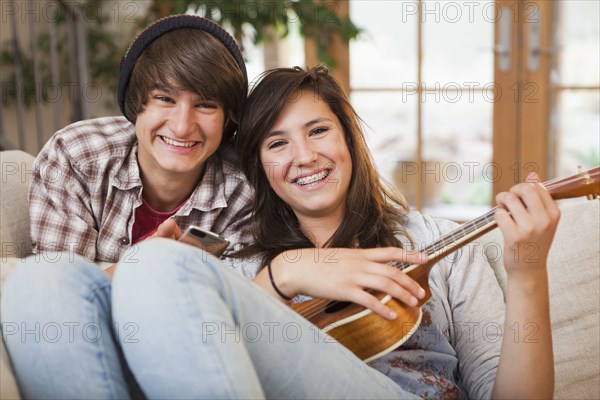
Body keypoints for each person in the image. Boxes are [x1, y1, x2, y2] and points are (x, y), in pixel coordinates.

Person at [1, 15, 253, 398]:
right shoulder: (76, 155)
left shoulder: (244, 187)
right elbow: (55, 300)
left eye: (205, 105)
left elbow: (239, 312)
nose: (183, 126)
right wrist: (146, 267)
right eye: (165, 99)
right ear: (136, 103)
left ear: (228, 121)